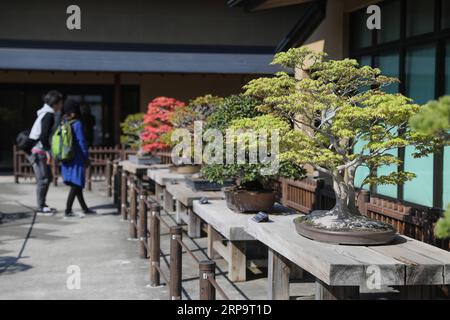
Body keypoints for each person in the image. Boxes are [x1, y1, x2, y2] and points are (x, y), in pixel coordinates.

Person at [29, 90, 63, 216]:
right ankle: (40, 206)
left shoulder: (45, 113)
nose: (61, 105)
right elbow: (43, 136)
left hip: (38, 149)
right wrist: (48, 151)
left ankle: (42, 205)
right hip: (38, 151)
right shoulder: (48, 114)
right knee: (43, 179)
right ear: (55, 103)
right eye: (60, 103)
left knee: (46, 178)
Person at [60, 99, 96, 218]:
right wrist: (86, 157)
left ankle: (85, 209)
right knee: (76, 184)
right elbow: (81, 142)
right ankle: (68, 210)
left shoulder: (64, 121)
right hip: (77, 158)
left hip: (66, 157)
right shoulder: (77, 123)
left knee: (77, 184)